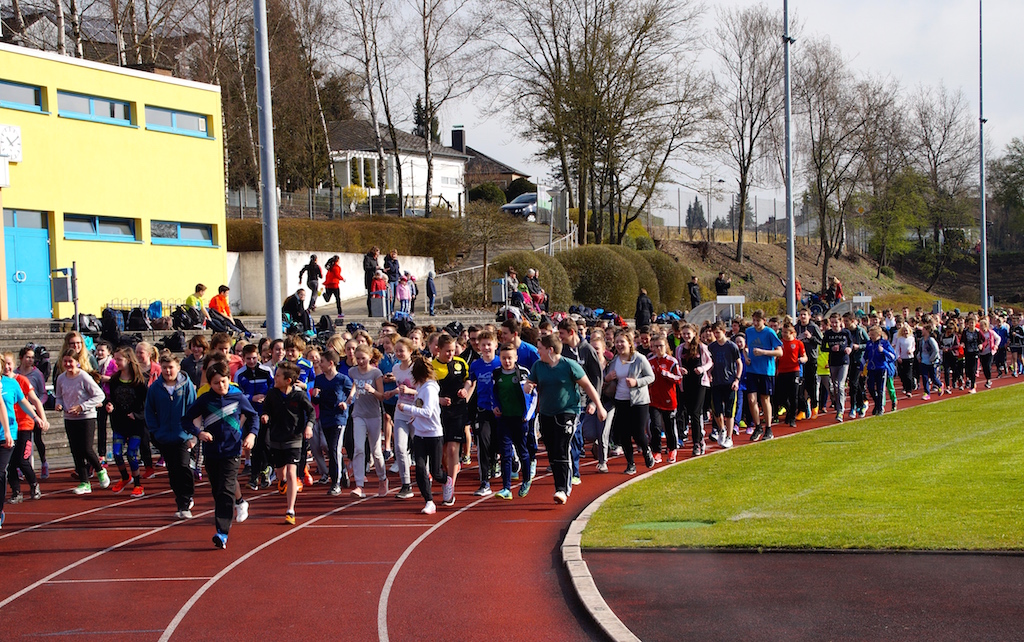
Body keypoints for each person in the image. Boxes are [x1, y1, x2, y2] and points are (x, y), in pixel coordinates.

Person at [182, 361, 257, 549]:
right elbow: (186, 420)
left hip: (232, 451)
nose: (221, 386)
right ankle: (230, 511)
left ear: (228, 379)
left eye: (223, 381)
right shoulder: (205, 400)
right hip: (212, 451)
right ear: (210, 384)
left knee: (226, 488)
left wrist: (251, 435)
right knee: (217, 489)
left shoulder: (237, 397)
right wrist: (198, 433)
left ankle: (222, 533)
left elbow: (253, 415)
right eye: (216, 383)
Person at [531, 334, 605, 503]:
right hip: (546, 413)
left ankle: (563, 488)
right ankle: (560, 485)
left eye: (540, 348)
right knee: (552, 451)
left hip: (568, 411)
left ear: (550, 350)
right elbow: (531, 381)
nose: (538, 351)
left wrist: (599, 406)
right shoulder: (538, 366)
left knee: (562, 447)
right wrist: (529, 385)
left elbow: (588, 385)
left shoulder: (569, 365)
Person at [261, 361, 315, 525]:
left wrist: (309, 427)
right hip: (276, 438)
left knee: (292, 473)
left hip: (294, 438)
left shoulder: (299, 395)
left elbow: (311, 412)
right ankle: (282, 481)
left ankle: (290, 510)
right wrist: (265, 416)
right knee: (281, 473)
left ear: (288, 380)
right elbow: (266, 409)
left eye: (278, 376)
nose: (275, 378)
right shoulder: (272, 394)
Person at [145, 352, 198, 519]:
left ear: (178, 368)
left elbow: (193, 409)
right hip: (164, 437)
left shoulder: (186, 386)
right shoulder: (155, 388)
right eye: (165, 368)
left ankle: (186, 499)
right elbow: (149, 411)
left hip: (183, 435)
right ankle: (180, 502)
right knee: (173, 471)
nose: (168, 371)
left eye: (171, 367)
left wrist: (193, 434)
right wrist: (156, 431)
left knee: (183, 466)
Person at [55, 349, 109, 494]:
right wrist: (59, 404)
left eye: (70, 361)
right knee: (75, 450)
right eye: (65, 361)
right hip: (69, 418)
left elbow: (99, 396)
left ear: (77, 362)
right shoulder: (61, 378)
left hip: (86, 417)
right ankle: (84, 482)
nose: (68, 364)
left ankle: (100, 470)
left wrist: (82, 407)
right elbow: (59, 396)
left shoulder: (83, 376)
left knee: (86, 448)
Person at [397, 355, 446, 515]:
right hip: (419, 434)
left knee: (436, 472)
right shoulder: (420, 387)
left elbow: (427, 412)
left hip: (434, 434)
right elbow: (419, 407)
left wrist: (406, 408)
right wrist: (413, 416)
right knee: (419, 467)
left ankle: (447, 480)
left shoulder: (430, 389)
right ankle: (429, 501)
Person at [491, 342, 537, 500]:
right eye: (504, 358)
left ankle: (526, 480)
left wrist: (528, 415)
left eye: (510, 358)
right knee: (505, 453)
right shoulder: (496, 374)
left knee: (522, 450)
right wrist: (495, 406)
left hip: (520, 419)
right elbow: (494, 393)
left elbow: (534, 396)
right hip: (504, 419)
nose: (507, 361)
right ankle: (506, 488)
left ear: (516, 357)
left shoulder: (523, 373)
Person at [104, 348, 149, 497]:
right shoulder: (115, 379)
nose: (115, 362)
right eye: (115, 359)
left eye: (119, 359)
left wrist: (137, 415)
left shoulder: (140, 381)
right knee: (117, 453)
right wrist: (110, 405)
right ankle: (125, 477)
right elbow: (111, 399)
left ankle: (138, 484)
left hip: (135, 424)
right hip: (119, 422)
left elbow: (148, 403)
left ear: (128, 360)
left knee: (131, 454)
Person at [433, 334, 471, 506]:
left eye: (453, 350)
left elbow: (469, 380)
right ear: (438, 350)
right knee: (442, 451)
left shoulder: (460, 363)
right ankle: (448, 472)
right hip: (439, 413)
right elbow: (424, 391)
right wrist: (439, 400)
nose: (451, 354)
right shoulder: (431, 367)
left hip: (458, 411)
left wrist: (465, 390)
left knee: (453, 448)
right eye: (447, 351)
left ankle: (450, 485)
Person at [3, 353, 46, 504]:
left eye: (9, 364)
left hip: (23, 425)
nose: (6, 367)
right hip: (8, 427)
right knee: (10, 463)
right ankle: (16, 491)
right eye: (3, 364)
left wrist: (41, 418)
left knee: (22, 460)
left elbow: (33, 400)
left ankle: (34, 484)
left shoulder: (20, 381)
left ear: (14, 364)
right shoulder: (2, 382)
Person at [347, 345, 387, 499]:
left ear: (370, 357)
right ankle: (359, 485)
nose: (360, 361)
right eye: (357, 359)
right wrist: (351, 395)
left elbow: (382, 396)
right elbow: (355, 383)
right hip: (359, 414)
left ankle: (382, 479)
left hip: (373, 415)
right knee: (358, 449)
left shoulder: (376, 373)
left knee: (376, 451)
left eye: (363, 358)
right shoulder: (353, 371)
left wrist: (372, 391)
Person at [311, 350, 352, 496]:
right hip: (325, 418)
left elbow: (352, 395)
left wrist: (346, 403)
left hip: (338, 418)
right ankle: (342, 470)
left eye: (322, 362)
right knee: (330, 448)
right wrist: (315, 396)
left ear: (330, 363)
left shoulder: (342, 379)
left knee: (334, 448)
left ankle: (335, 483)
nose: (319, 364)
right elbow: (316, 400)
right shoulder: (319, 380)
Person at [468, 331, 500, 497]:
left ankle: (501, 462)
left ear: (495, 345)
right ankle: (484, 482)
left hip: (501, 411)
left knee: (498, 443)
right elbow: (470, 381)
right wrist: (465, 392)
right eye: (483, 345)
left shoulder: (501, 362)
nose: (486, 348)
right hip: (483, 410)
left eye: (489, 344)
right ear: (479, 347)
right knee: (483, 444)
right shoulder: (475, 365)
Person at [744, 310, 783, 441]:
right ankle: (758, 426)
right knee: (751, 399)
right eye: (754, 320)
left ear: (764, 321)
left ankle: (769, 428)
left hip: (766, 370)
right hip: (752, 370)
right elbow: (745, 347)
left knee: (764, 399)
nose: (755, 323)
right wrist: (746, 357)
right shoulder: (749, 331)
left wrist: (763, 352)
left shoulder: (769, 332)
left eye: (758, 321)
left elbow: (780, 352)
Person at [647, 333, 682, 462]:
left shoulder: (672, 361)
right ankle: (656, 451)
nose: (658, 349)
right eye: (655, 346)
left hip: (669, 399)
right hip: (654, 399)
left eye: (660, 346)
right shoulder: (650, 361)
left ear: (665, 346)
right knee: (655, 426)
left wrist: (667, 375)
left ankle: (672, 449)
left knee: (669, 426)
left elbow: (679, 378)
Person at [17, 347, 50, 480]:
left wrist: (36, 405)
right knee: (20, 440)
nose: (30, 360)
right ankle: (20, 466)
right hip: (19, 412)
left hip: (34, 410)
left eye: (32, 358)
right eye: (27, 357)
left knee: (37, 439)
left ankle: (43, 462)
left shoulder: (37, 374)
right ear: (21, 358)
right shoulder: (14, 374)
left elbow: (43, 393)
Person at [708, 322, 743, 443]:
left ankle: (729, 436)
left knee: (729, 412)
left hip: (729, 382)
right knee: (717, 410)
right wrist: (709, 373)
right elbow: (710, 363)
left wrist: (737, 379)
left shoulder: (731, 346)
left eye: (718, 332)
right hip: (716, 382)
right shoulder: (712, 347)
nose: (716, 335)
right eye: (714, 333)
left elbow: (739, 363)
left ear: (723, 332)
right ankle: (722, 429)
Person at [821, 313, 854, 422]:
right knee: (835, 386)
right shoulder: (828, 334)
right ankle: (838, 403)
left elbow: (851, 343)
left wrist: (849, 348)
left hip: (844, 361)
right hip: (833, 361)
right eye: (832, 322)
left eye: (836, 322)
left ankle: (840, 411)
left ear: (840, 322)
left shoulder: (845, 332)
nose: (834, 324)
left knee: (840, 385)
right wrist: (831, 349)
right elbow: (823, 347)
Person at [775, 324, 807, 429]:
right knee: (781, 396)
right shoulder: (780, 343)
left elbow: (805, 356)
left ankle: (792, 418)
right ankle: (788, 410)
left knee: (794, 395)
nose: (783, 334)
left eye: (786, 332)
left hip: (794, 371)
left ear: (792, 333)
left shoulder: (798, 343)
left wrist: (802, 359)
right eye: (783, 332)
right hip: (782, 371)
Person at [865, 325, 897, 416]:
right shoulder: (869, 343)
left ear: (879, 334)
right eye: (870, 334)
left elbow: (893, 356)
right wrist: (861, 367)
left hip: (881, 368)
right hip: (871, 368)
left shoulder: (885, 343)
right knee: (870, 387)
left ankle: (880, 408)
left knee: (880, 389)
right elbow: (865, 356)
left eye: (873, 335)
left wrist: (883, 351)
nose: (871, 337)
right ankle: (877, 403)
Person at [363, 246, 381, 315]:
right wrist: (374, 267)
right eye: (378, 252)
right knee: (370, 295)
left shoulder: (375, 259)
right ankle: (370, 311)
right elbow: (366, 268)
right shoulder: (367, 258)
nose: (378, 254)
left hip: (376, 279)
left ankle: (375, 310)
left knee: (376, 294)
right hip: (370, 279)